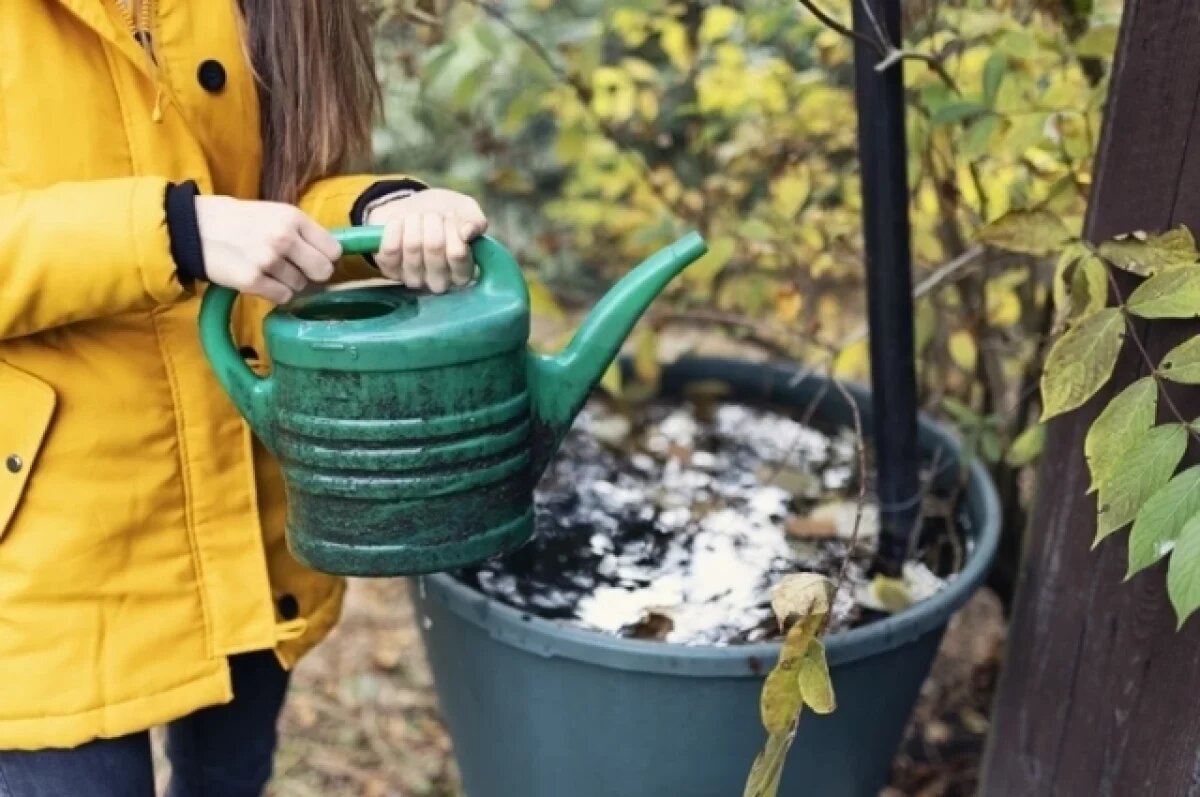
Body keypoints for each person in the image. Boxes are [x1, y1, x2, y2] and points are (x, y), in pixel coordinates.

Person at [0, 2, 487, 794]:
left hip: (245, 509)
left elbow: (275, 195)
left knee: (230, 775)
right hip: (45, 545)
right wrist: (171, 231)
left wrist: (380, 210)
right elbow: (207, 226)